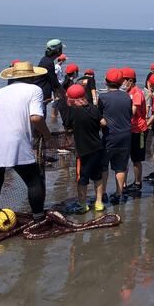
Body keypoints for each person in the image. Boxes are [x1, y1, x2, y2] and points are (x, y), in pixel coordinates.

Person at [0, 61, 51, 224]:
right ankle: (38, 219)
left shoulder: (0, 92)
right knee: (34, 181)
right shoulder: (35, 90)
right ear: (32, 76)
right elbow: (36, 118)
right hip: (17, 141)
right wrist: (47, 134)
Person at [59, 84, 106, 214]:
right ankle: (99, 203)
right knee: (97, 176)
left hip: (83, 151)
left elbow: (67, 125)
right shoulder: (94, 109)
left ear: (72, 100)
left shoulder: (73, 113)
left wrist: (62, 102)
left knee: (82, 179)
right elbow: (103, 123)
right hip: (97, 147)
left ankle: (82, 204)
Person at [98, 68, 132, 204]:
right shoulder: (127, 96)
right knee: (120, 166)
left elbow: (98, 116)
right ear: (121, 82)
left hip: (109, 135)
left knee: (104, 166)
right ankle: (119, 193)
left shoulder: (103, 97)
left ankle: (103, 193)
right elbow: (129, 114)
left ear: (106, 82)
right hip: (125, 135)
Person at [121, 67, 148, 193]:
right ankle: (124, 184)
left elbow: (132, 111)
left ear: (130, 81)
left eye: (123, 80)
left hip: (139, 130)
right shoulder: (126, 93)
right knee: (125, 157)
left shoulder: (137, 93)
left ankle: (137, 183)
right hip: (128, 129)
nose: (121, 82)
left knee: (136, 159)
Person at [35, 39, 65, 118]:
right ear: (58, 50)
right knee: (40, 120)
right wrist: (65, 94)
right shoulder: (49, 63)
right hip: (41, 98)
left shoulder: (45, 59)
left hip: (40, 96)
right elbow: (54, 82)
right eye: (61, 48)